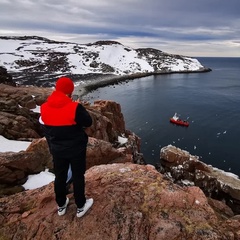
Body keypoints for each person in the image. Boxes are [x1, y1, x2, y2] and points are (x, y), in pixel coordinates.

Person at [40, 76, 93, 217]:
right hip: (76, 149)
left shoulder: (44, 108)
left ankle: (61, 204)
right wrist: (77, 106)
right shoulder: (74, 107)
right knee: (78, 175)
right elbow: (88, 122)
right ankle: (81, 206)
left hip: (57, 150)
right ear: (70, 91)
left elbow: (49, 125)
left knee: (60, 176)